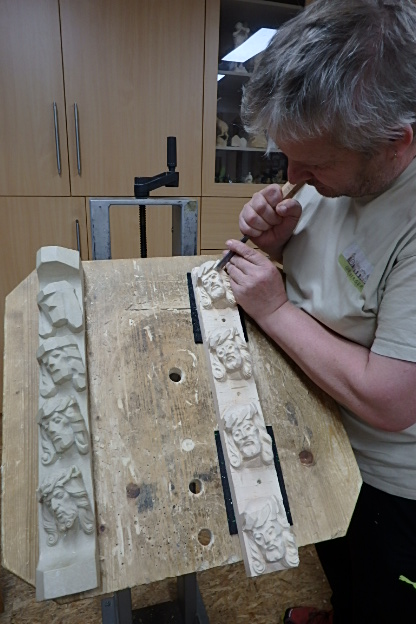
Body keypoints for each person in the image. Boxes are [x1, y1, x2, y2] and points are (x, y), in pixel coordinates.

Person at [221, 1, 416, 622]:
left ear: (395, 144)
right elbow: (335, 268)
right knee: (340, 563)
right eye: (287, 157)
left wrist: (274, 309)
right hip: (324, 434)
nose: (293, 176)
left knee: (383, 586)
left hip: (393, 483)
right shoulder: (347, 158)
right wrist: (280, 242)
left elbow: (391, 400)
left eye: (314, 165)